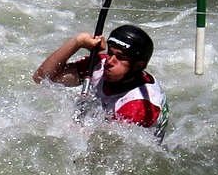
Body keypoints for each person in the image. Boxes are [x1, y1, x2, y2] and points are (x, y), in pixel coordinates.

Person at [33, 24, 167, 136]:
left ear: (138, 65)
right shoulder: (99, 65)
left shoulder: (139, 105)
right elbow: (42, 78)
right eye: (111, 53)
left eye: (120, 58)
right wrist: (77, 42)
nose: (110, 61)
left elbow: (105, 141)